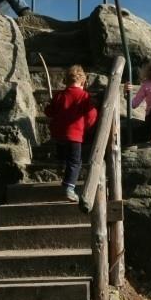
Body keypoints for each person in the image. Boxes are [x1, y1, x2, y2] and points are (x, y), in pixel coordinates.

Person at [46, 65, 97, 202]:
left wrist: (51, 104)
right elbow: (91, 115)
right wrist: (88, 127)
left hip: (58, 135)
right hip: (74, 136)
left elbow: (49, 112)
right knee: (75, 162)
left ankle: (60, 163)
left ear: (66, 81)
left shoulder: (60, 95)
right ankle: (69, 188)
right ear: (83, 81)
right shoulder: (84, 96)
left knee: (64, 156)